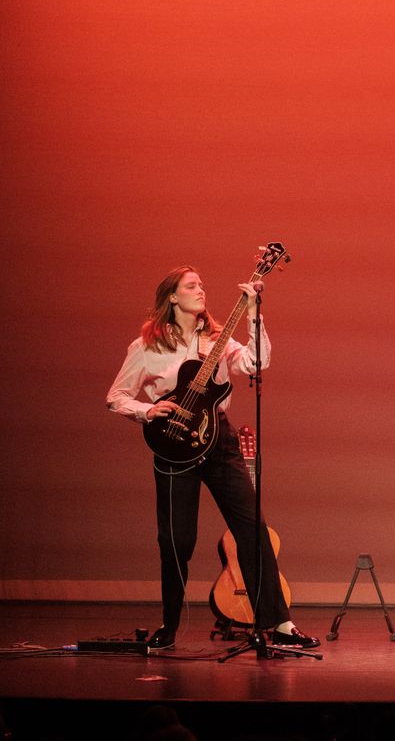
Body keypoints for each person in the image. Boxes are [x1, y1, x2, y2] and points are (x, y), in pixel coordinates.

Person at [106, 265, 318, 650]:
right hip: (172, 445)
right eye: (192, 286)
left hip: (219, 442)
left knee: (253, 529)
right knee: (176, 541)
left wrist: (253, 315)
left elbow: (256, 363)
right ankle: (169, 625)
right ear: (173, 297)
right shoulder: (147, 346)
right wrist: (147, 411)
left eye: (202, 285)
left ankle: (280, 624)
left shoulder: (218, 339)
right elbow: (116, 396)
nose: (201, 290)